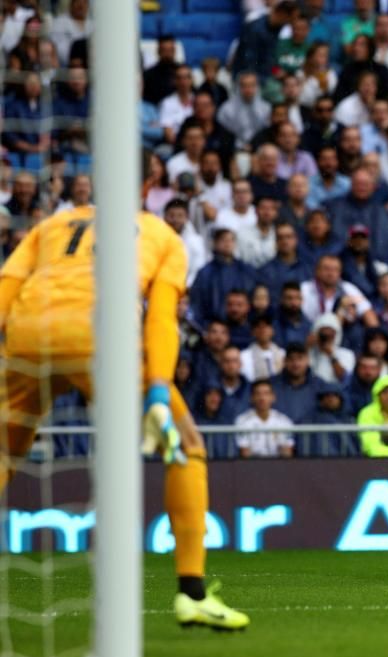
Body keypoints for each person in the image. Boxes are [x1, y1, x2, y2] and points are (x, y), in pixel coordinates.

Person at [0, 207, 248, 628]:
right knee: (186, 447)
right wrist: (155, 388)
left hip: (28, 334)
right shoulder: (162, 234)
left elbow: (6, 288)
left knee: (6, 452)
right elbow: (161, 318)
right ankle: (192, 593)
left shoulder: (51, 225)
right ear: (151, 180)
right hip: (102, 337)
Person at [234, 379, 295, 458]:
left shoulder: (284, 421)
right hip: (252, 466)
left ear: (273, 397)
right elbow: (244, 453)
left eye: (266, 393)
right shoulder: (242, 421)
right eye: (258, 394)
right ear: (251, 398)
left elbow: (288, 454)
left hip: (279, 466)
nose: (262, 398)